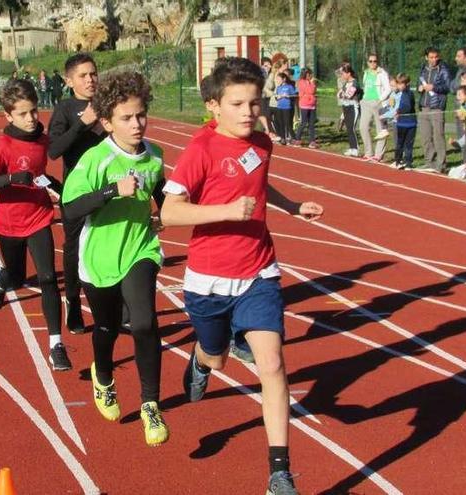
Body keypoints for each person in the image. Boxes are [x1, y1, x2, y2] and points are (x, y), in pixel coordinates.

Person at [160, 57, 323, 495]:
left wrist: (291, 207)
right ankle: (202, 356)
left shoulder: (263, 143)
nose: (249, 112)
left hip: (258, 272)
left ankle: (279, 473)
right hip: (209, 280)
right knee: (217, 357)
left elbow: (259, 181)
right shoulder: (201, 149)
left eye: (255, 102)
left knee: (272, 364)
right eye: (238, 104)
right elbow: (170, 211)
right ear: (214, 106)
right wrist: (226, 212)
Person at [61, 71, 168, 446]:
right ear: (107, 122)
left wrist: (164, 213)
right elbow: (70, 208)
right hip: (99, 257)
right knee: (106, 327)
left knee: (143, 323)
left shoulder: (155, 157)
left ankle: (150, 404)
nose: (136, 124)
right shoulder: (96, 159)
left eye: (140, 115)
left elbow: (165, 194)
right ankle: (103, 377)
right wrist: (112, 190)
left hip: (141, 249)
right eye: (126, 118)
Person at [0, 79, 70, 370]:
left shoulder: (42, 140)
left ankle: (56, 345)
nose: (31, 119)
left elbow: (41, 170)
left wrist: (54, 184)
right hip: (10, 224)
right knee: (17, 280)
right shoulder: (4, 146)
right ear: (8, 116)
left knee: (48, 279)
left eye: (34, 111)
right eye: (23, 114)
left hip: (40, 217)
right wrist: (11, 179)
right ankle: (0, 279)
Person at [48, 52, 106, 334]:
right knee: (74, 250)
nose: (90, 79)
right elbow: (54, 149)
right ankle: (73, 303)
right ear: (70, 80)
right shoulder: (65, 109)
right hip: (77, 190)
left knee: (107, 244)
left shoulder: (108, 103)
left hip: (110, 187)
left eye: (93, 73)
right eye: (83, 75)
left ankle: (113, 304)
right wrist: (83, 123)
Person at [416, 47, 451, 173]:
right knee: (426, 136)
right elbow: (418, 83)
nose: (434, 59)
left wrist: (434, 87)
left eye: (436, 57)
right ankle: (429, 162)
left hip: (437, 106)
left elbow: (448, 87)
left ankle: (441, 164)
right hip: (424, 105)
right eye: (431, 57)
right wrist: (419, 88)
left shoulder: (443, 70)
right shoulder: (423, 69)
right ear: (426, 57)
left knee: (438, 136)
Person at [360, 54, 392, 161]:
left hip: (378, 103)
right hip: (366, 102)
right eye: (371, 61)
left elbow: (388, 89)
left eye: (375, 61)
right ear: (367, 62)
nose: (373, 63)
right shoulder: (366, 73)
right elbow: (365, 87)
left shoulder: (382, 73)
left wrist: (380, 99)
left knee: (381, 129)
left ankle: (378, 154)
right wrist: (363, 98)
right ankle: (368, 152)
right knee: (363, 127)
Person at [392, 74, 417, 170]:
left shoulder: (408, 94)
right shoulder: (399, 94)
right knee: (400, 143)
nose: (400, 86)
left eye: (402, 83)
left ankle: (408, 162)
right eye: (398, 84)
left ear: (407, 84)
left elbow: (408, 107)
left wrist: (399, 111)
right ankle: (398, 160)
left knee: (408, 144)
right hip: (401, 123)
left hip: (410, 123)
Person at [338, 65, 361, 157]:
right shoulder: (346, 83)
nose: (342, 75)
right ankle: (352, 148)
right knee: (348, 128)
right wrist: (342, 94)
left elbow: (349, 95)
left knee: (352, 128)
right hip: (345, 107)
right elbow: (339, 94)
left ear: (349, 73)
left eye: (343, 73)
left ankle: (356, 148)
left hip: (353, 107)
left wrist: (343, 95)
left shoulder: (355, 83)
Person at [293, 68, 317, 148]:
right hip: (304, 105)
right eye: (309, 74)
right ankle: (297, 139)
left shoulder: (310, 82)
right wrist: (312, 83)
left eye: (311, 74)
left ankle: (312, 141)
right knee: (303, 122)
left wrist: (312, 83)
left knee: (311, 124)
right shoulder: (301, 82)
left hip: (312, 105)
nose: (310, 76)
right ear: (305, 74)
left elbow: (314, 91)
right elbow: (310, 91)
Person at [272, 71, 297, 145]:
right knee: (281, 123)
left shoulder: (289, 87)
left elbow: (294, 95)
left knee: (288, 123)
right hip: (279, 107)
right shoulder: (278, 87)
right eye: (277, 79)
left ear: (284, 79)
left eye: (279, 79)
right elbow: (276, 97)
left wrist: (288, 96)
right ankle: (283, 138)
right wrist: (278, 97)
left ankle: (294, 138)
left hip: (287, 107)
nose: (278, 81)